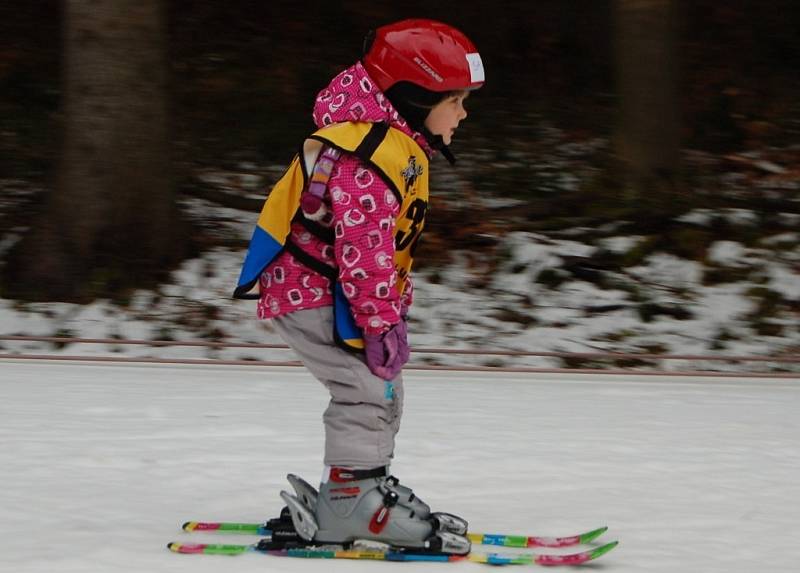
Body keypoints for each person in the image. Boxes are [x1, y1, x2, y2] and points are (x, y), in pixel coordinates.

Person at [233, 18, 484, 554]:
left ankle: (363, 487)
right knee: (367, 389)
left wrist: (383, 316)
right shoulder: (365, 160)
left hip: (329, 288)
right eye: (456, 101)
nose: (463, 114)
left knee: (380, 389)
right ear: (416, 96)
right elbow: (363, 258)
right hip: (313, 290)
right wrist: (380, 322)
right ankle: (352, 506)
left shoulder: (389, 146)